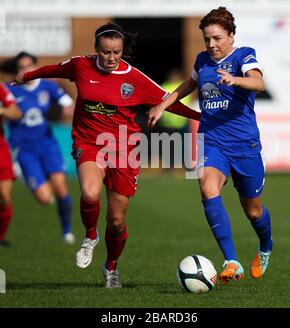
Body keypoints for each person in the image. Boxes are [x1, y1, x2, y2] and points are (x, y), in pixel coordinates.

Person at [12, 23, 200, 288]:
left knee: (116, 221)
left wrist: (202, 117)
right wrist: (28, 76)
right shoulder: (80, 66)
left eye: (117, 52)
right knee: (89, 193)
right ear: (95, 50)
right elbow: (53, 69)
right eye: (105, 52)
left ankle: (111, 266)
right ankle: (90, 237)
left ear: (122, 50)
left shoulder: (134, 78)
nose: (111, 58)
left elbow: (171, 101)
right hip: (89, 142)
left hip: (123, 149)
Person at [148, 7, 273, 284]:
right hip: (211, 140)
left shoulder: (243, 55)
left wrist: (235, 79)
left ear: (230, 35)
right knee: (207, 186)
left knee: (253, 211)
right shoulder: (202, 60)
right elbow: (186, 86)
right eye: (207, 39)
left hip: (244, 144)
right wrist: (162, 105)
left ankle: (265, 246)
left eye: (216, 38)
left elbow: (259, 82)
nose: (211, 45)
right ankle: (231, 261)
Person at [1, 52, 75, 244]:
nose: (26, 70)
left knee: (61, 187)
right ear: (17, 70)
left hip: (47, 144)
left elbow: (67, 102)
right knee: (44, 199)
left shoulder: (47, 86)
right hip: (24, 149)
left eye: (29, 66)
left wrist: (68, 107)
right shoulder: (10, 89)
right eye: (22, 67)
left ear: (35, 67)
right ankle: (33, 178)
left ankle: (67, 231)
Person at [0, 83, 22, 247]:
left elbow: (16, 112)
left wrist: (1, 111)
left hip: (1, 152)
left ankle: (0, 237)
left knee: (5, 198)